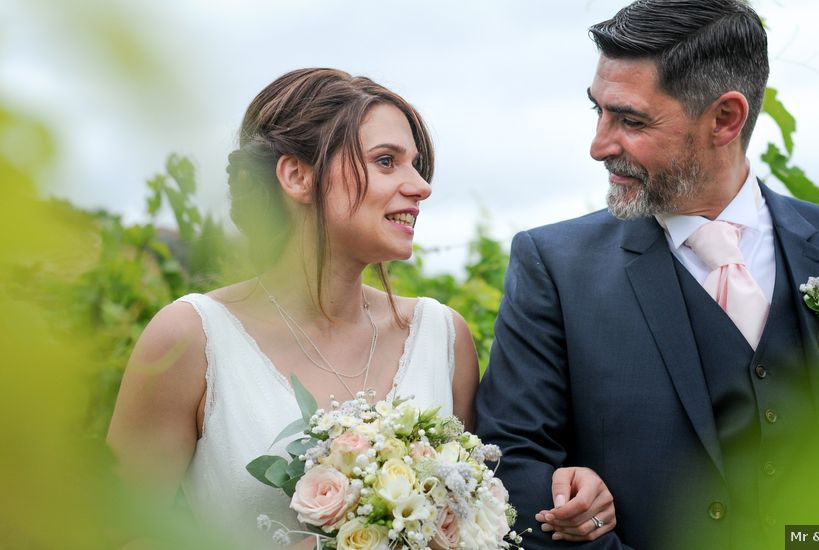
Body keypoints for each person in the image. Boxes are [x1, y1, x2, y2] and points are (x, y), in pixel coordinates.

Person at [107, 68, 614, 548]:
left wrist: (571, 486)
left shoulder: (442, 337)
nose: (421, 186)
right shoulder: (190, 337)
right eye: (387, 161)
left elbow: (486, 513)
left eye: (415, 164)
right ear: (296, 176)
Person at [474, 1, 819, 549]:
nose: (599, 144)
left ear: (725, 119)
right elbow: (510, 462)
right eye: (599, 111)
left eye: (631, 120)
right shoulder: (554, 266)